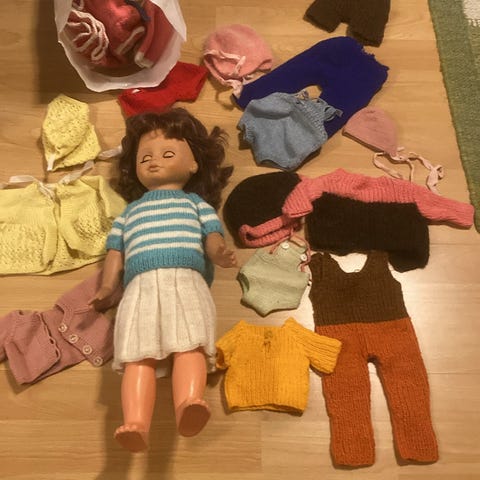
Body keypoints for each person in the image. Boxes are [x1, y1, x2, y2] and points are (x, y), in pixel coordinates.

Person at [89, 108, 237, 453]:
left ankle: (189, 403)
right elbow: (115, 251)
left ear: (194, 164)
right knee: (137, 354)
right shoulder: (129, 213)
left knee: (189, 344)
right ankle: (136, 422)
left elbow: (212, 237)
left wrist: (219, 254)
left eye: (168, 154)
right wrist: (107, 287)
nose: (155, 161)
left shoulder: (196, 204)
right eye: (145, 158)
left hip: (186, 280)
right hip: (138, 288)